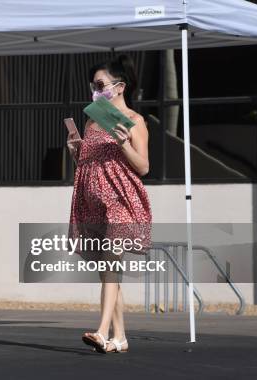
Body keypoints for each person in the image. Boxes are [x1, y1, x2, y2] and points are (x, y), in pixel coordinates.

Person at [66, 54, 152, 354]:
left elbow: (143, 167)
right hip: (92, 200)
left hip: (120, 199)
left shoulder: (135, 121)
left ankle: (102, 332)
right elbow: (88, 163)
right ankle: (121, 337)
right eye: (93, 84)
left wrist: (124, 143)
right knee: (108, 270)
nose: (96, 89)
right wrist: (76, 151)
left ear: (120, 86)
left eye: (100, 84)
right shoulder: (92, 120)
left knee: (110, 265)